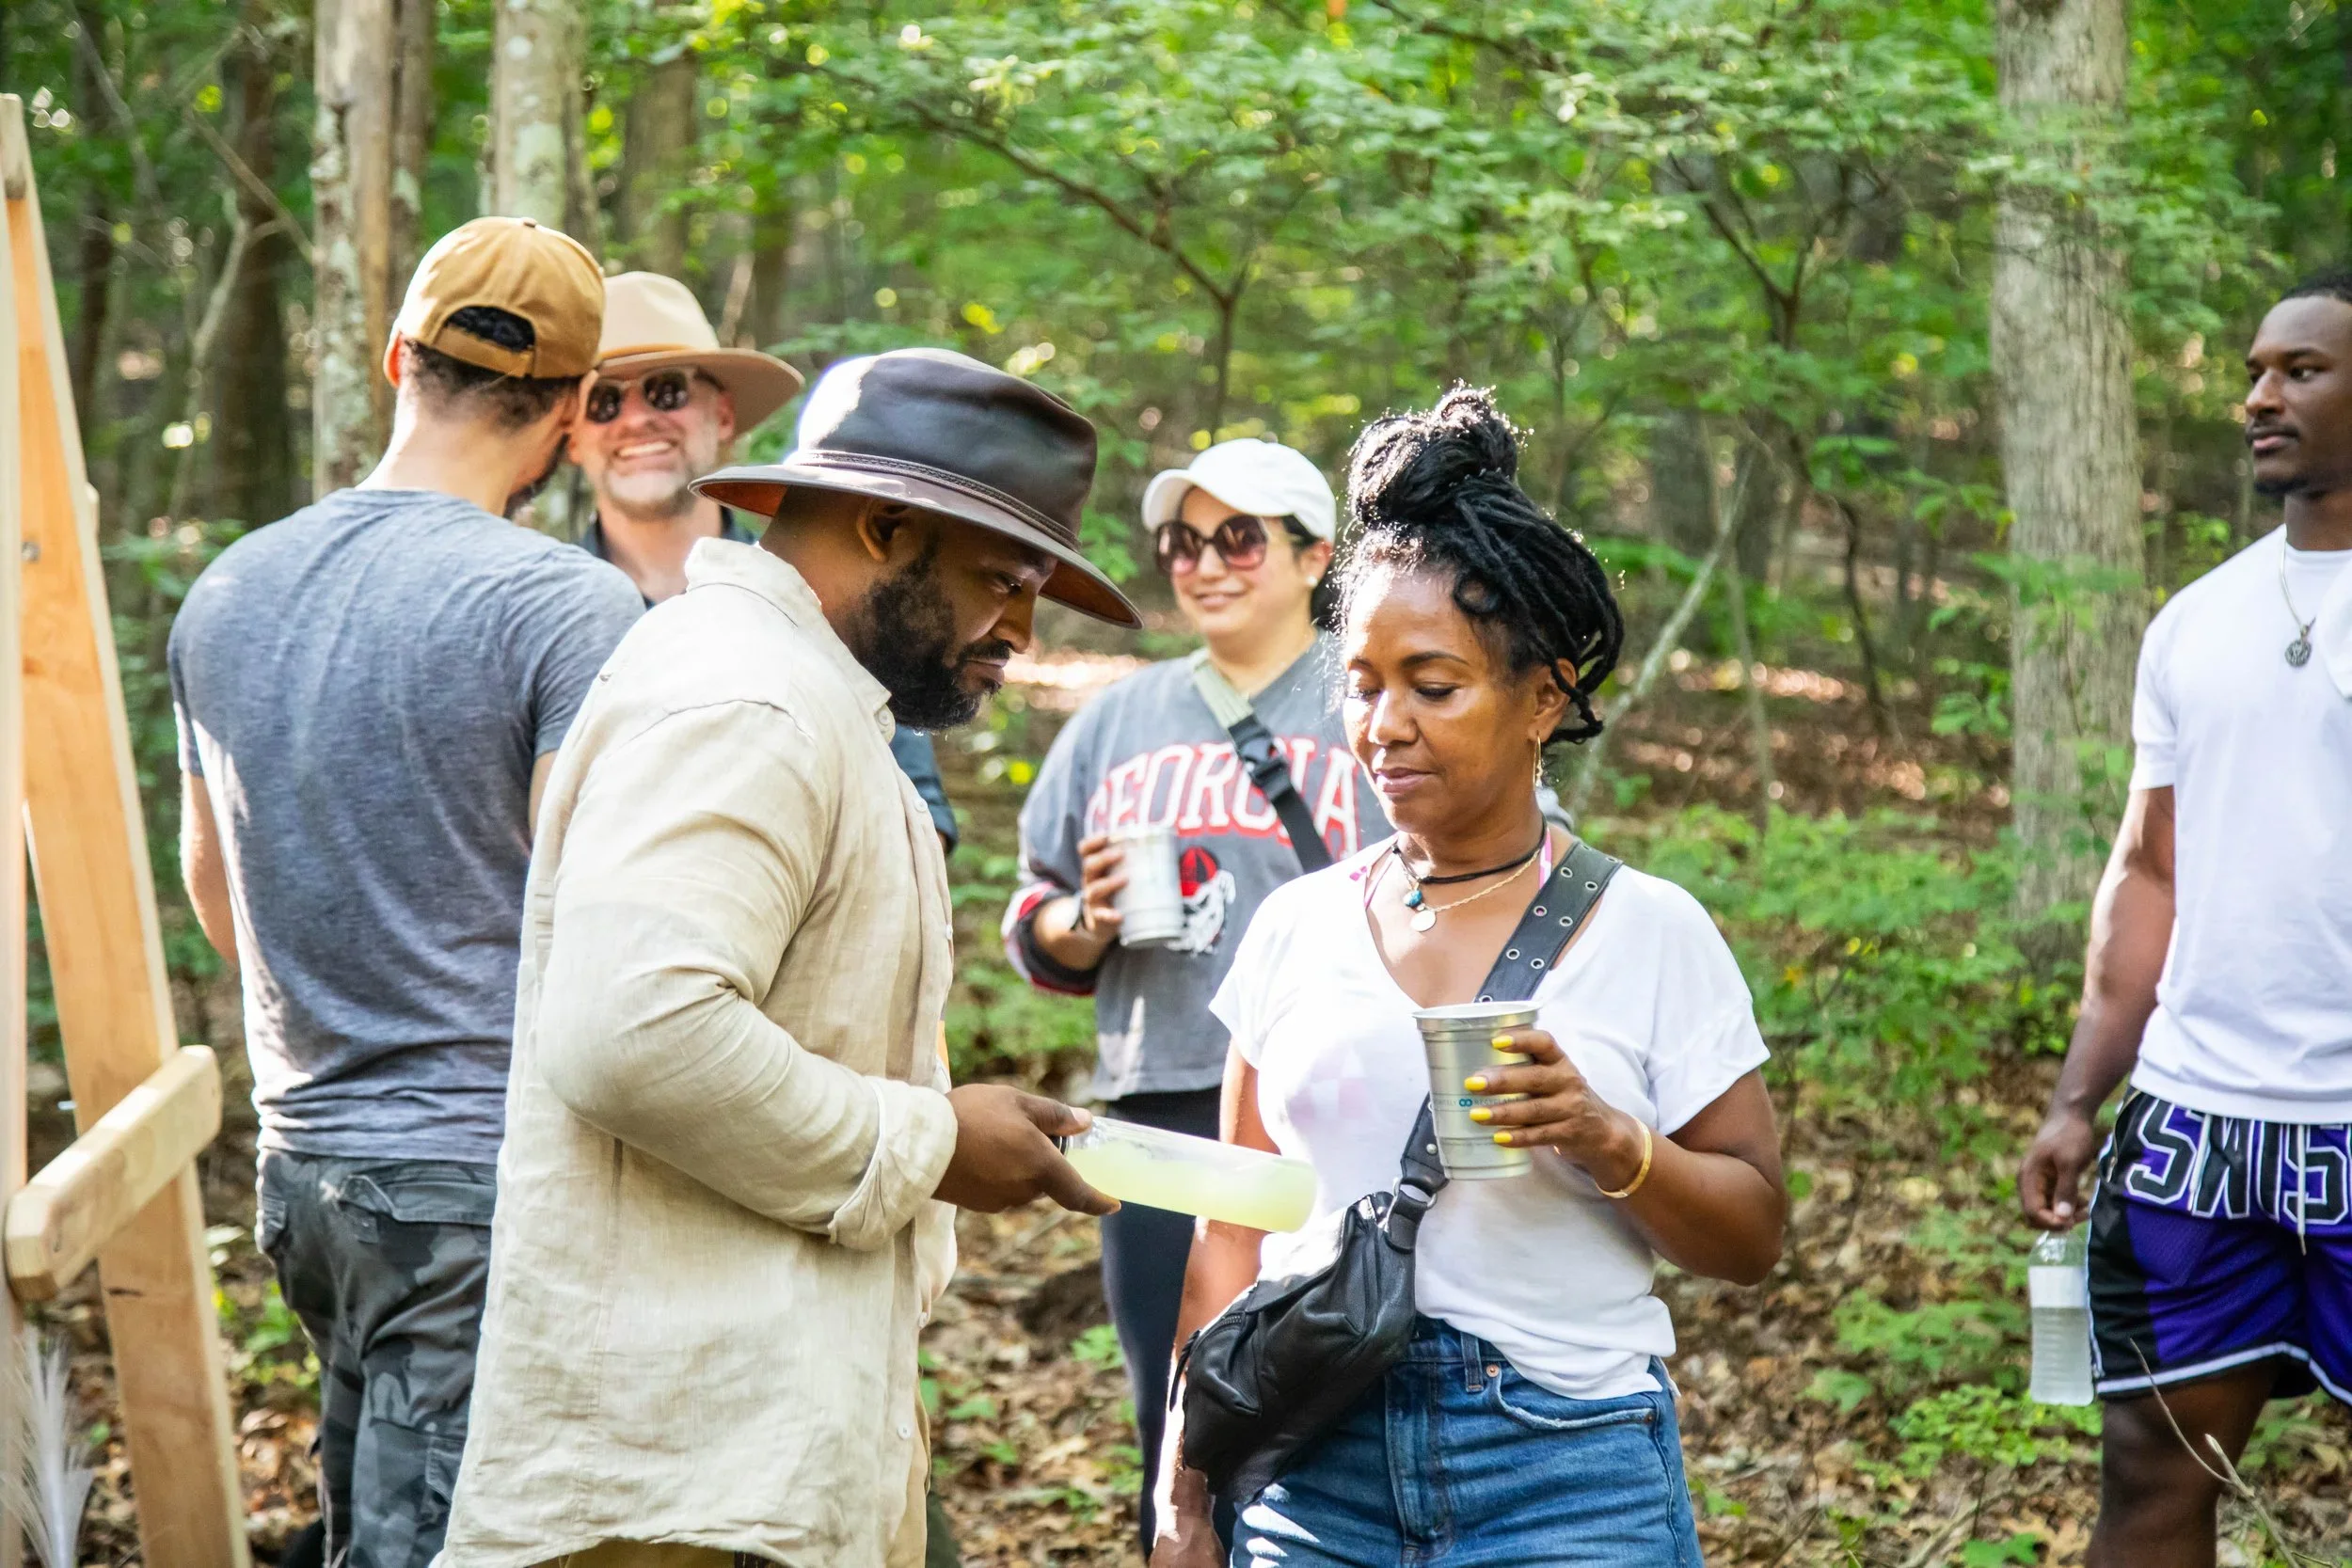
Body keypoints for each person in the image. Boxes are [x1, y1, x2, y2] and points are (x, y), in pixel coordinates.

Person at [439, 348, 1138, 1568]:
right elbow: (633, 1031)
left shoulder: (808, 697)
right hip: (676, 1485)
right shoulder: (745, 699)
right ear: (881, 525)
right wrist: (931, 1139)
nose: (1020, 635)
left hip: (739, 1451)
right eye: (1006, 581)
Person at [1152, 388, 1788, 1567]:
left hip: (1564, 1469)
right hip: (1310, 1463)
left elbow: (1753, 1233)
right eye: (1362, 680)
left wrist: (1610, 1141)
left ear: (1543, 696)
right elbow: (1229, 1236)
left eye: (1432, 685)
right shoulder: (1296, 928)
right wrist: (1185, 1494)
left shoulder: (1650, 929)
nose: (1382, 723)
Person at [171, 216, 643, 1568]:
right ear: (571, 411)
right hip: (477, 1180)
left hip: (303, 1163)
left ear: (396, 359)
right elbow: (593, 903)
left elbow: (217, 886)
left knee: (372, 1515)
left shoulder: (227, 588)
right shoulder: (569, 606)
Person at [1002, 436, 1390, 1551]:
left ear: (1315, 555)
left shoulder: (1374, 694)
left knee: (1343, 1402)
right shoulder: (1114, 724)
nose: (1203, 563)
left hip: (1337, 1104)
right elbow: (1035, 916)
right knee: (1177, 1409)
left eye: (1237, 537)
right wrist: (1086, 922)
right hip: (1157, 1100)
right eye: (1181, 540)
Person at [2018, 276, 2352, 1568]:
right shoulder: (2196, 621)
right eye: (2258, 369)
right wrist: (2076, 1093)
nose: (2259, 396)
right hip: (2200, 1125)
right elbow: (2148, 868)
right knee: (2155, 1470)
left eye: (2303, 370)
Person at [568, 270, 959, 849]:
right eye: (602, 402)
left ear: (722, 415)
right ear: (571, 437)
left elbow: (919, 819)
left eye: (665, 391)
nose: (634, 420)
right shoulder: (539, 613)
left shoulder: (825, 595)